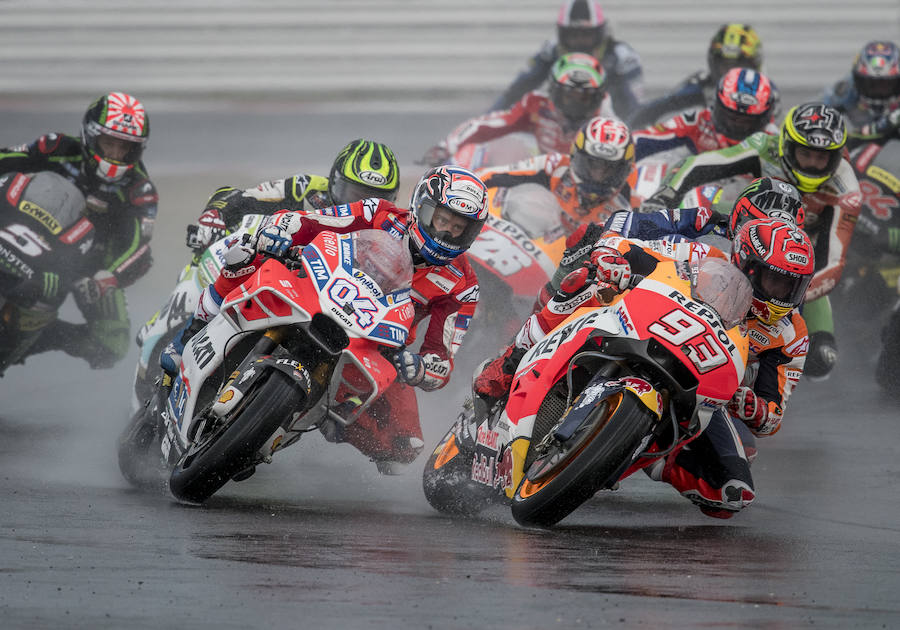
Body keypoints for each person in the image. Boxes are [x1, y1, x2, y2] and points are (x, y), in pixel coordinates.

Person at [475, 216, 814, 518]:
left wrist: (754, 407)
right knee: (585, 281)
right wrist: (612, 258)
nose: (782, 295)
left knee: (731, 492)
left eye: (793, 286)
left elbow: (773, 414)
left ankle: (638, 453)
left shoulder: (791, 334)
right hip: (642, 323)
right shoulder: (702, 258)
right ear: (747, 264)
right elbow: (623, 245)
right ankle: (513, 358)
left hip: (699, 385)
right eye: (775, 281)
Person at [162, 165, 488, 472]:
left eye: (460, 228)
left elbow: (441, 358)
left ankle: (293, 426)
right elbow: (315, 221)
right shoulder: (378, 213)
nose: (447, 232)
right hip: (317, 290)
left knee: (404, 447)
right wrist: (281, 232)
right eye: (442, 219)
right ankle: (190, 332)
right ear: (421, 206)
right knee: (245, 257)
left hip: (373, 343)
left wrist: (421, 368)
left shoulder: (463, 284)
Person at [642, 102, 860, 379]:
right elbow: (697, 164)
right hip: (744, 220)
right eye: (805, 153)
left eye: (822, 158)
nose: (812, 164)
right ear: (786, 144)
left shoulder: (847, 189)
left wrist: (781, 301)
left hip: (793, 264)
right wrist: (664, 196)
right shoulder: (763, 146)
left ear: (837, 157)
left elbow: (832, 266)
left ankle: (765, 380)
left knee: (820, 359)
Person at [0, 91, 156, 368]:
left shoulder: (139, 191)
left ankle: (28, 337)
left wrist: (104, 280)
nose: (115, 155)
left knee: (111, 344)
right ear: (90, 135)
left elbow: (139, 249)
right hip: (26, 232)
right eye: (109, 143)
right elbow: (6, 158)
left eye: (125, 148)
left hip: (89, 269)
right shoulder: (56, 148)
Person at [187, 139, 400, 255]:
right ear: (334, 180)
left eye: (375, 199)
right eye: (355, 195)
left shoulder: (392, 226)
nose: (363, 206)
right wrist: (214, 216)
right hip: (269, 272)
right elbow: (235, 196)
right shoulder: (306, 188)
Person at [422, 53, 615, 167]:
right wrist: (447, 147)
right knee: (502, 145)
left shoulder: (608, 119)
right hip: (538, 181)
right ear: (555, 90)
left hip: (587, 191)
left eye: (584, 97)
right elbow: (490, 124)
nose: (575, 104)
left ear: (599, 97)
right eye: (568, 95)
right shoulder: (537, 104)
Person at [476, 115, 636, 235]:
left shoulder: (631, 205)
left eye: (609, 169)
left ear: (625, 170)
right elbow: (490, 175)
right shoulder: (554, 165)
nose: (598, 175)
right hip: (530, 247)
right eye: (591, 165)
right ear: (574, 156)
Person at [491, 0, 643, 117]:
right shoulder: (551, 50)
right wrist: (490, 117)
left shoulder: (621, 57)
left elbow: (632, 109)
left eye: (586, 35)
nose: (580, 41)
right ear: (562, 34)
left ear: (599, 33)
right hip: (558, 121)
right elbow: (518, 89)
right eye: (573, 35)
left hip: (605, 125)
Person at [628, 23, 765, 129]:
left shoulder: (767, 94)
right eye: (724, 65)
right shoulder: (698, 89)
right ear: (713, 63)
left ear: (754, 64)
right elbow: (654, 109)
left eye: (737, 66)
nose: (730, 74)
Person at [632, 67, 777, 163]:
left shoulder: (775, 141)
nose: (736, 125)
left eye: (746, 121)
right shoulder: (697, 121)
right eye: (731, 117)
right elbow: (644, 139)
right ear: (716, 106)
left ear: (765, 118)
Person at [824, 40, 900, 146]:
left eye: (885, 84)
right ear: (857, 80)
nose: (878, 90)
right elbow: (818, 109)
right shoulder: (846, 88)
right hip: (863, 147)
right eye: (871, 84)